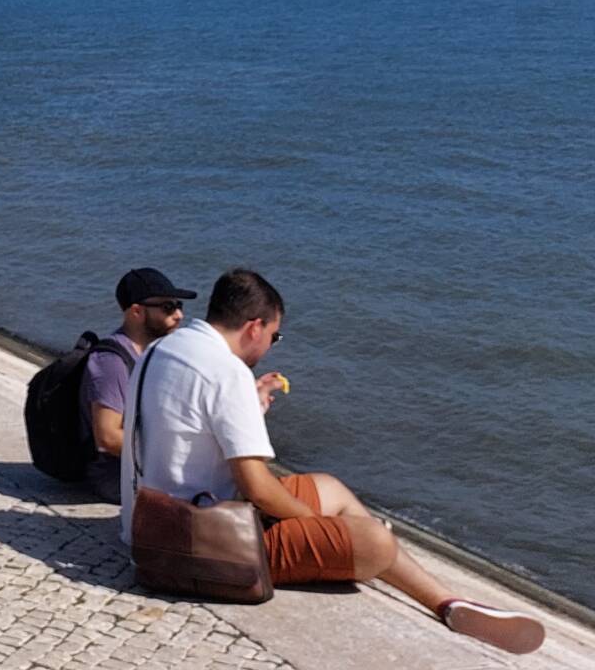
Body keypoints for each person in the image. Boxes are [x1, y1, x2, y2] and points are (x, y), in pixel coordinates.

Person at [124, 268, 544, 655]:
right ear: (255, 327)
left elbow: (182, 427)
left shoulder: (165, 348)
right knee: (375, 541)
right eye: (274, 336)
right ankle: (386, 567)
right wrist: (315, 524)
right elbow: (256, 486)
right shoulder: (226, 372)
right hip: (195, 542)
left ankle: (448, 602)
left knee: (331, 487)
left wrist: (249, 408)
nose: (270, 347)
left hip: (148, 519)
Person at [62, 268, 194, 501]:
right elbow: (108, 436)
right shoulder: (111, 362)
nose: (179, 315)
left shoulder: (154, 351)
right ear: (137, 311)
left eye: (179, 306)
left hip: (139, 465)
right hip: (114, 477)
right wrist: (171, 455)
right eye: (168, 307)